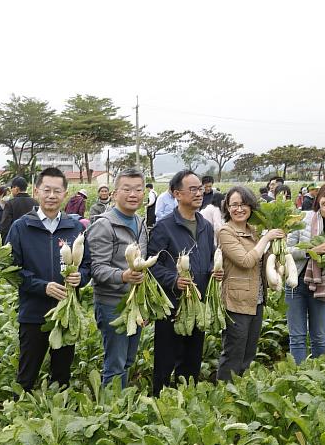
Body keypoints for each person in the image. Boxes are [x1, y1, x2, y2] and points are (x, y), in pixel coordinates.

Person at [5, 167, 91, 392]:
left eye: (57, 191)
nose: (51, 196)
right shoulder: (21, 227)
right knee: (27, 374)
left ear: (65, 193)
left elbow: (88, 266)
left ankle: (57, 416)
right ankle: (20, 416)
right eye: (46, 190)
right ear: (36, 191)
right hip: (34, 313)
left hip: (66, 314)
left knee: (62, 375)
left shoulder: (75, 227)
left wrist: (80, 277)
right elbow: (11, 270)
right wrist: (42, 287)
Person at [148, 170, 222, 396]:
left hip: (197, 302)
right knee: (166, 354)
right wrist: (173, 279)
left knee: (193, 354)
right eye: (193, 189)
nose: (199, 193)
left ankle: (186, 396)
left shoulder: (205, 226)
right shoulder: (165, 226)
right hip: (173, 303)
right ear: (176, 194)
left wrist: (213, 270)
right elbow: (153, 264)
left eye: (200, 188)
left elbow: (208, 256)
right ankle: (159, 397)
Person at [87, 169, 148, 388]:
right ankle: (111, 412)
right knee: (116, 362)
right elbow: (96, 269)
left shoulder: (140, 222)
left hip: (134, 303)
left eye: (138, 189)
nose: (133, 194)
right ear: (114, 194)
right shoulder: (103, 225)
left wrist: (143, 304)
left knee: (129, 359)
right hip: (112, 303)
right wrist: (123, 276)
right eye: (127, 189)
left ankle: (120, 404)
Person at [217, 187, 284, 380]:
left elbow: (263, 260)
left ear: (251, 206)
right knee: (234, 352)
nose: (239, 209)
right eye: (234, 205)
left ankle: (239, 390)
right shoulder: (226, 232)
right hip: (236, 300)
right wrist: (266, 238)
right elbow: (246, 261)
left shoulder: (253, 231)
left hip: (257, 298)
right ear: (227, 208)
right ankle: (224, 393)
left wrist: (277, 250)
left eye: (244, 204)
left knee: (248, 352)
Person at [285, 181, 325, 364]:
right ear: (318, 198)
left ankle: (319, 373)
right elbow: (287, 250)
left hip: (324, 285)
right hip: (296, 282)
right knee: (296, 336)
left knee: (319, 336)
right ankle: (298, 375)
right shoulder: (302, 219)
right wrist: (311, 251)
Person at [0, 176, 37, 241]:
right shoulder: (35, 203)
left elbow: (5, 226)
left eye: (11, 188)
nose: (11, 190)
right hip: (32, 241)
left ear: (16, 189)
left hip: (16, 241)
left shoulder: (10, 204)